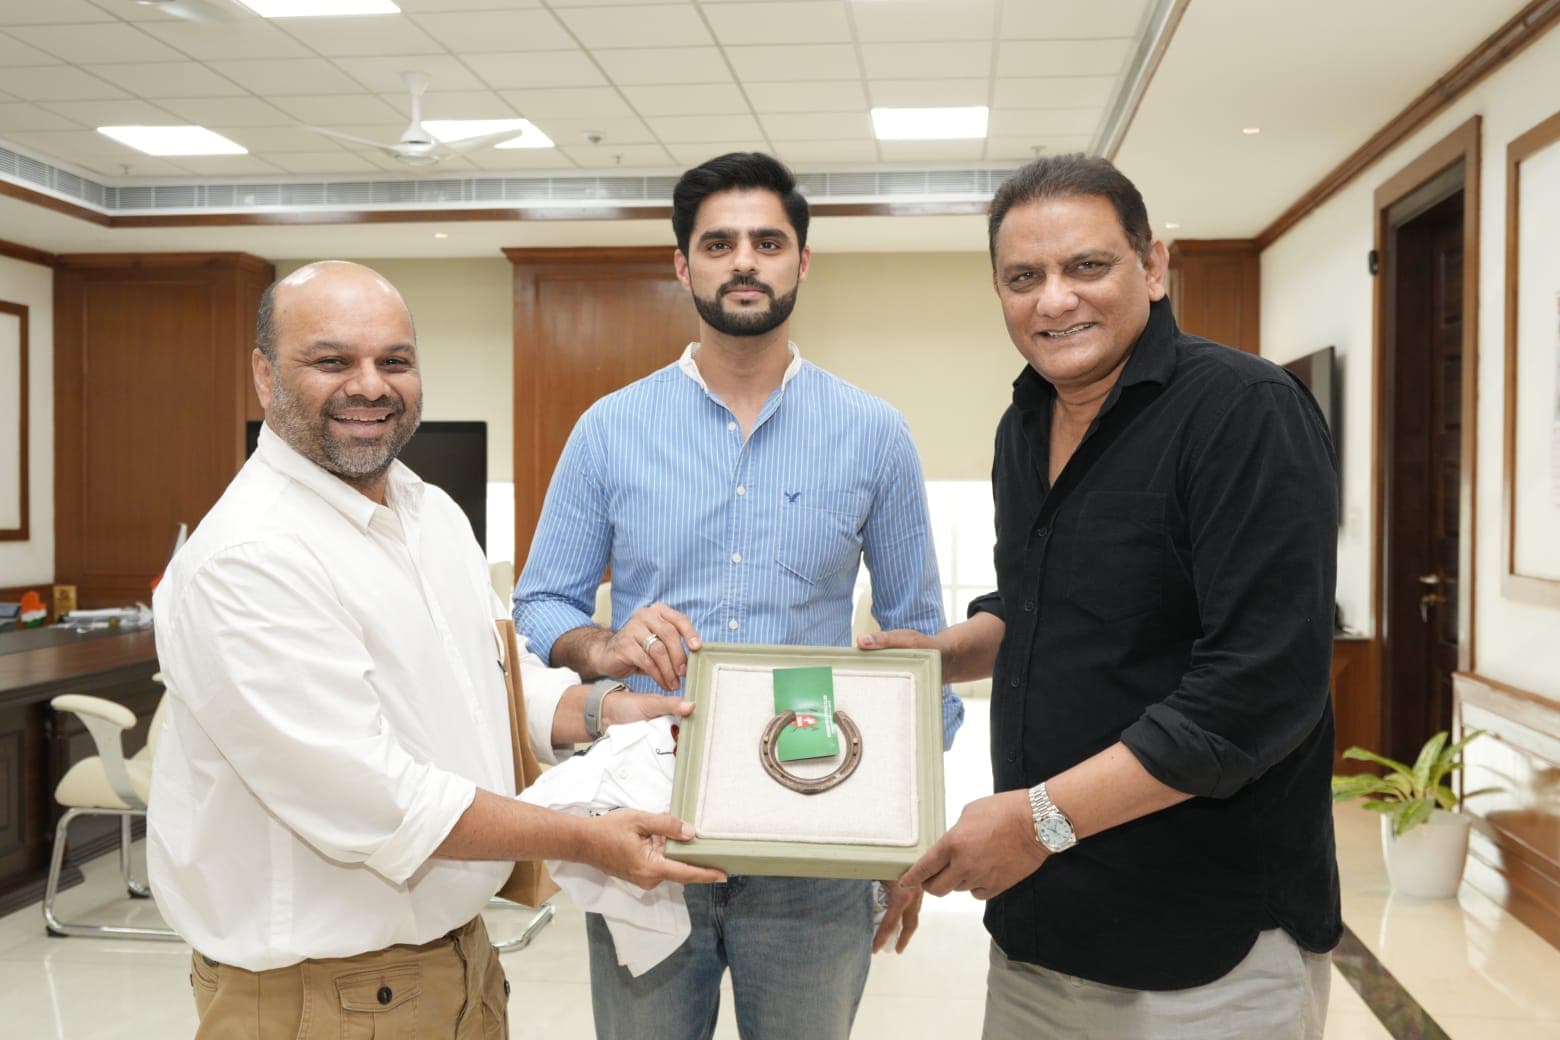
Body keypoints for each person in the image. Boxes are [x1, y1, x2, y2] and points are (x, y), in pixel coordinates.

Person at [148, 261, 724, 1039]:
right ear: (263, 374)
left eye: (394, 360)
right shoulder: (250, 558)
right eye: (332, 360)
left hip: (455, 962)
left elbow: (492, 675)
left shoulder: (432, 513)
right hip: (319, 997)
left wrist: (609, 710)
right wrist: (587, 840)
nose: (370, 385)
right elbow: (377, 800)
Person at [861, 154, 1342, 1038]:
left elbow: (1256, 693)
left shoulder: (1245, 412)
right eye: (1023, 278)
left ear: (1152, 267)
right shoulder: (1024, 425)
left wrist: (1036, 822)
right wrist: (946, 655)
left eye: (1086, 266)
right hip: (1042, 930)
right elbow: (1038, 605)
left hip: (1205, 945)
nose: (1054, 300)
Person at [513, 152, 963, 1040]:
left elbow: (920, 642)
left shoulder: (874, 434)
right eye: (719, 244)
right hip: (648, 823)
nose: (744, 261)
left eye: (768, 242)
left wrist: (907, 832)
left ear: (803, 261)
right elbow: (540, 604)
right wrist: (602, 646)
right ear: (683, 266)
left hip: (816, 829)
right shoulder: (610, 430)